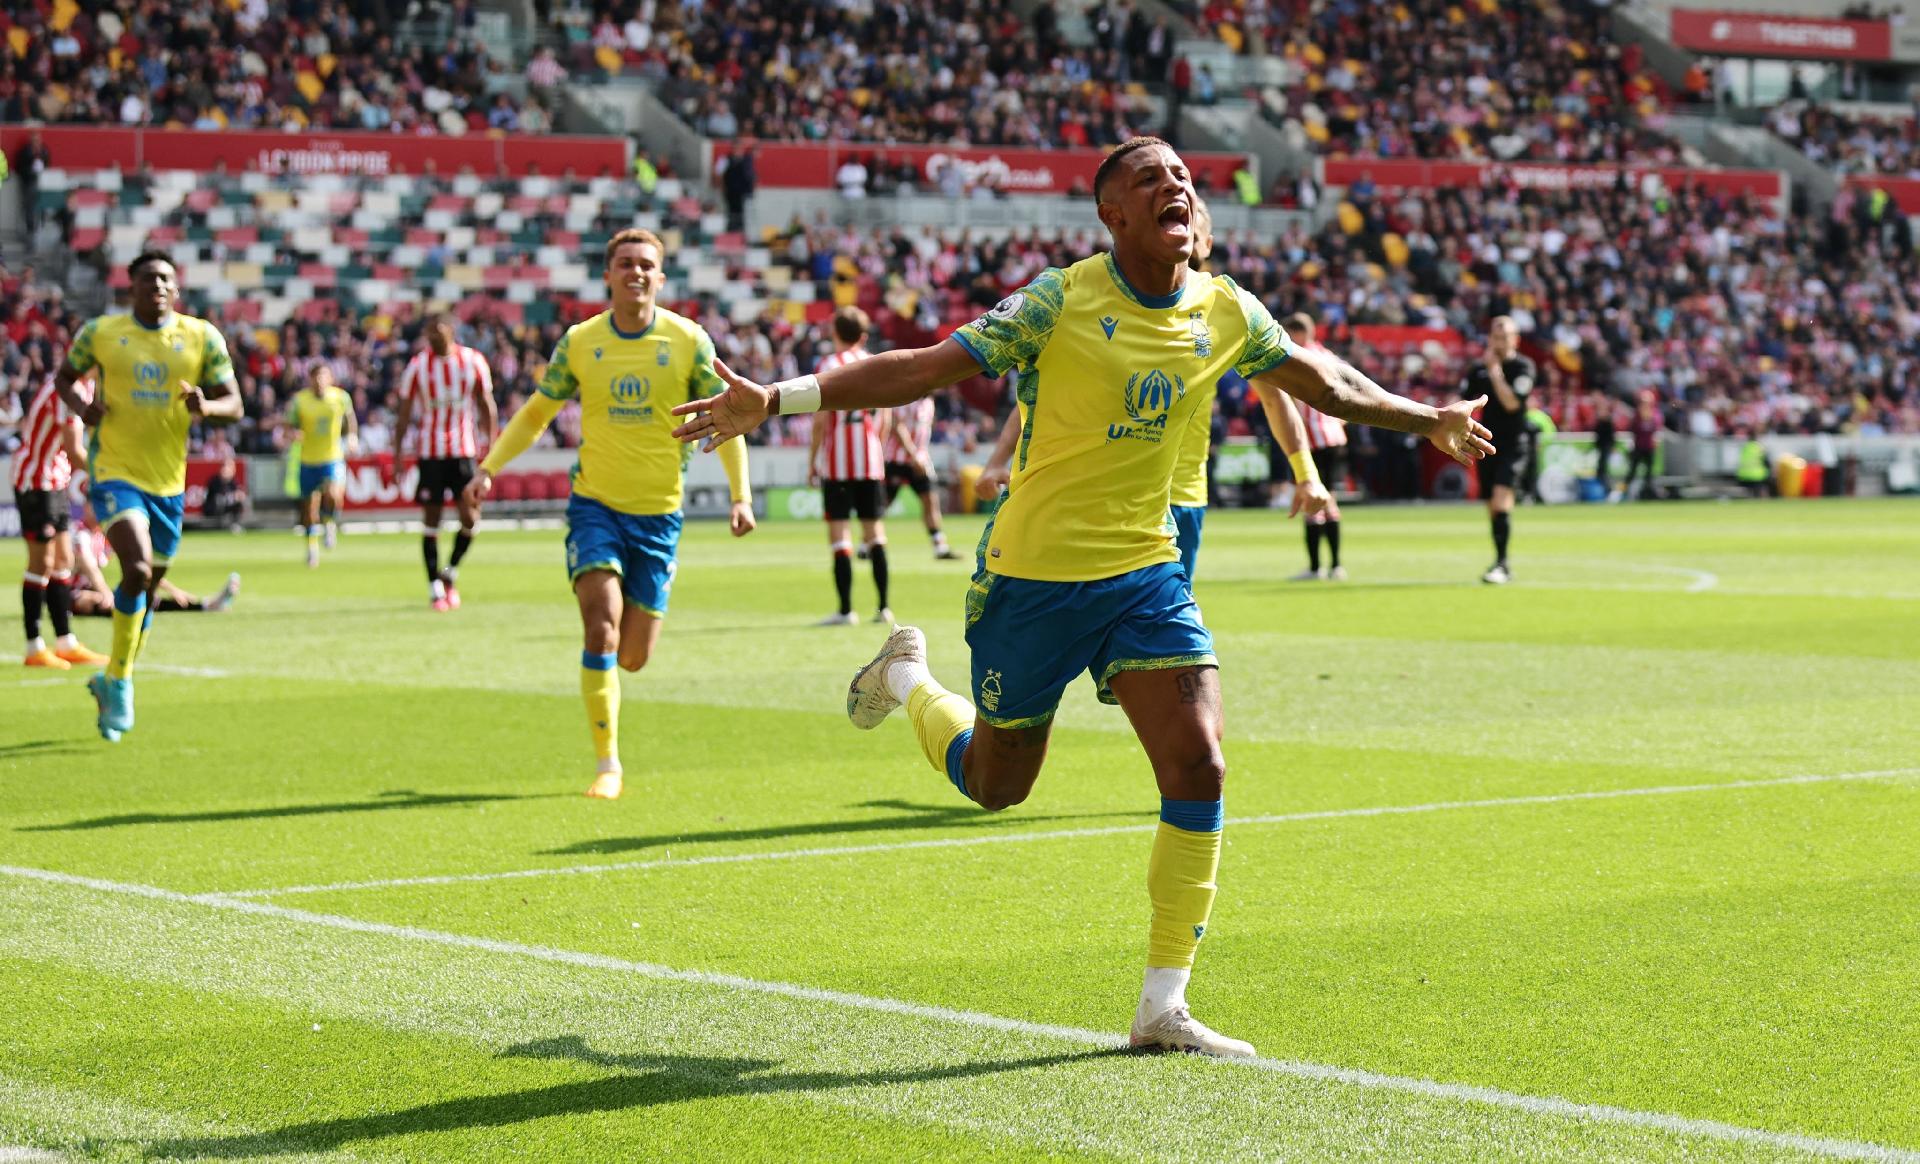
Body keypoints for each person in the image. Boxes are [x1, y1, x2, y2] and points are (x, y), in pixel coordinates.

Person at [672, 137, 1491, 1058]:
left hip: (1145, 574)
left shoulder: (1226, 308)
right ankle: (908, 680)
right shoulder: (1059, 300)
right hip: (1032, 581)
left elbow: (1324, 381)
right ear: (1113, 216)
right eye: (1150, 180)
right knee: (997, 784)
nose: (1175, 186)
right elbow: (928, 365)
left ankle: (1162, 1005)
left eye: (1182, 176)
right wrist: (778, 400)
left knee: (1200, 765)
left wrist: (1432, 417)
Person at [465, 228, 757, 800]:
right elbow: (536, 413)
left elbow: (732, 417)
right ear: (609, 274)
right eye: (625, 263)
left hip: (659, 518)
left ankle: (612, 696)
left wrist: (740, 495)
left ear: (661, 276)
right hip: (594, 505)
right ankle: (608, 764)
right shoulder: (581, 342)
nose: (636, 272)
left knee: (634, 656)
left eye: (647, 264)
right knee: (600, 623)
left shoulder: (688, 340)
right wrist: (489, 466)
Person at [53, 250, 242, 741]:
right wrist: (83, 408)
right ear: (131, 286)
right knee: (135, 570)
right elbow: (63, 378)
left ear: (176, 290)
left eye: (165, 279)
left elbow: (235, 403)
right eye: (148, 279)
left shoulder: (201, 336)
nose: (157, 286)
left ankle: (113, 677)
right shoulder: (101, 333)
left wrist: (207, 406)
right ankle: (122, 684)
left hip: (169, 485)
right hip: (114, 471)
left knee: (148, 592)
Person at [395, 314, 497, 610]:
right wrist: (399, 455)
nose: (434, 336)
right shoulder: (417, 367)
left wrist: (492, 449)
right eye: (429, 332)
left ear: (451, 330)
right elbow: (404, 414)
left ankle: (450, 571)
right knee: (431, 519)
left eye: (438, 330)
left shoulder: (473, 361)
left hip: (464, 452)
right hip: (430, 453)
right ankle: (434, 588)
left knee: (470, 516)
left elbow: (485, 405)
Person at [12, 374, 109, 669]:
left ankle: (65, 641)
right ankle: (34, 646)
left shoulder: (86, 386)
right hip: (35, 480)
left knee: (64, 559)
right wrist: (106, 473)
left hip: (55, 479)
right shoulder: (71, 388)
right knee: (41, 563)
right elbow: (72, 446)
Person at [807, 306, 893, 625]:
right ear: (864, 335)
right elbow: (886, 415)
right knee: (875, 533)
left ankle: (846, 611)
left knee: (840, 536)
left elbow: (820, 419)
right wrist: (875, 447)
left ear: (834, 333)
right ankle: (883, 608)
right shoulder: (875, 364)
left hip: (837, 463)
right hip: (870, 460)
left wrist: (813, 459)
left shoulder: (829, 365)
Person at [1460, 316, 1535, 584]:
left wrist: (1494, 371)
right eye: (1496, 336)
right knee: (1492, 506)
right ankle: (1501, 560)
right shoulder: (1476, 370)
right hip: (1487, 445)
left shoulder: (1523, 367)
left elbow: (1512, 403)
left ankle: (1502, 564)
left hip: (1515, 444)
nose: (1500, 342)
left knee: (1502, 498)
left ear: (1515, 339)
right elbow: (1464, 403)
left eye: (1506, 337)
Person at [1281, 313, 1348, 581]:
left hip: (1311, 439)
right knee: (1330, 500)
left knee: (1312, 499)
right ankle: (1336, 565)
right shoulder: (1329, 355)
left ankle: (1315, 567)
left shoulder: (1297, 357)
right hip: (1334, 437)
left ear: (1297, 333)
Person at [286, 364, 357, 569]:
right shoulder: (300, 401)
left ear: (330, 378)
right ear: (310, 379)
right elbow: (289, 426)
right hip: (308, 460)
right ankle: (311, 547)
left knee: (334, 495)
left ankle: (330, 523)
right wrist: (292, 435)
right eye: (315, 377)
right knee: (309, 509)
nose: (319, 381)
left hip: (332, 457)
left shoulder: (340, 398)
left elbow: (350, 419)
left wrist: (351, 437)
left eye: (323, 376)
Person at [882, 387, 960, 562]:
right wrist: (912, 454)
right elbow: (897, 426)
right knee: (883, 503)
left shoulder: (929, 403)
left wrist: (920, 456)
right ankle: (868, 544)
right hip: (897, 460)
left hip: (922, 460)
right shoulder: (905, 397)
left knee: (930, 501)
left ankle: (940, 546)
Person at [1621, 393, 1662, 501]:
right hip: (1638, 447)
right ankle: (1622, 493)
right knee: (1631, 473)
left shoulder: (1655, 415)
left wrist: (1656, 440)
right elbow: (1632, 430)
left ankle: (1647, 494)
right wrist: (1630, 444)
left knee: (1649, 473)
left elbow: (1657, 430)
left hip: (1649, 448)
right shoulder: (1636, 416)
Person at [200, 455, 248, 529]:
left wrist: (238, 496)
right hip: (213, 508)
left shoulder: (234, 481)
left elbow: (238, 494)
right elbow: (214, 498)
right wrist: (231, 497)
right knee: (219, 501)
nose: (227, 469)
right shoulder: (214, 481)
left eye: (230, 467)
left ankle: (235, 524)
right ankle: (220, 525)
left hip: (226, 506)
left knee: (239, 502)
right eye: (225, 466)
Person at [1735, 427, 1774, 497]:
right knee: (1764, 486)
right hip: (1757, 476)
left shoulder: (1744, 447)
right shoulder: (1759, 447)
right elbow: (1767, 462)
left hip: (1743, 476)